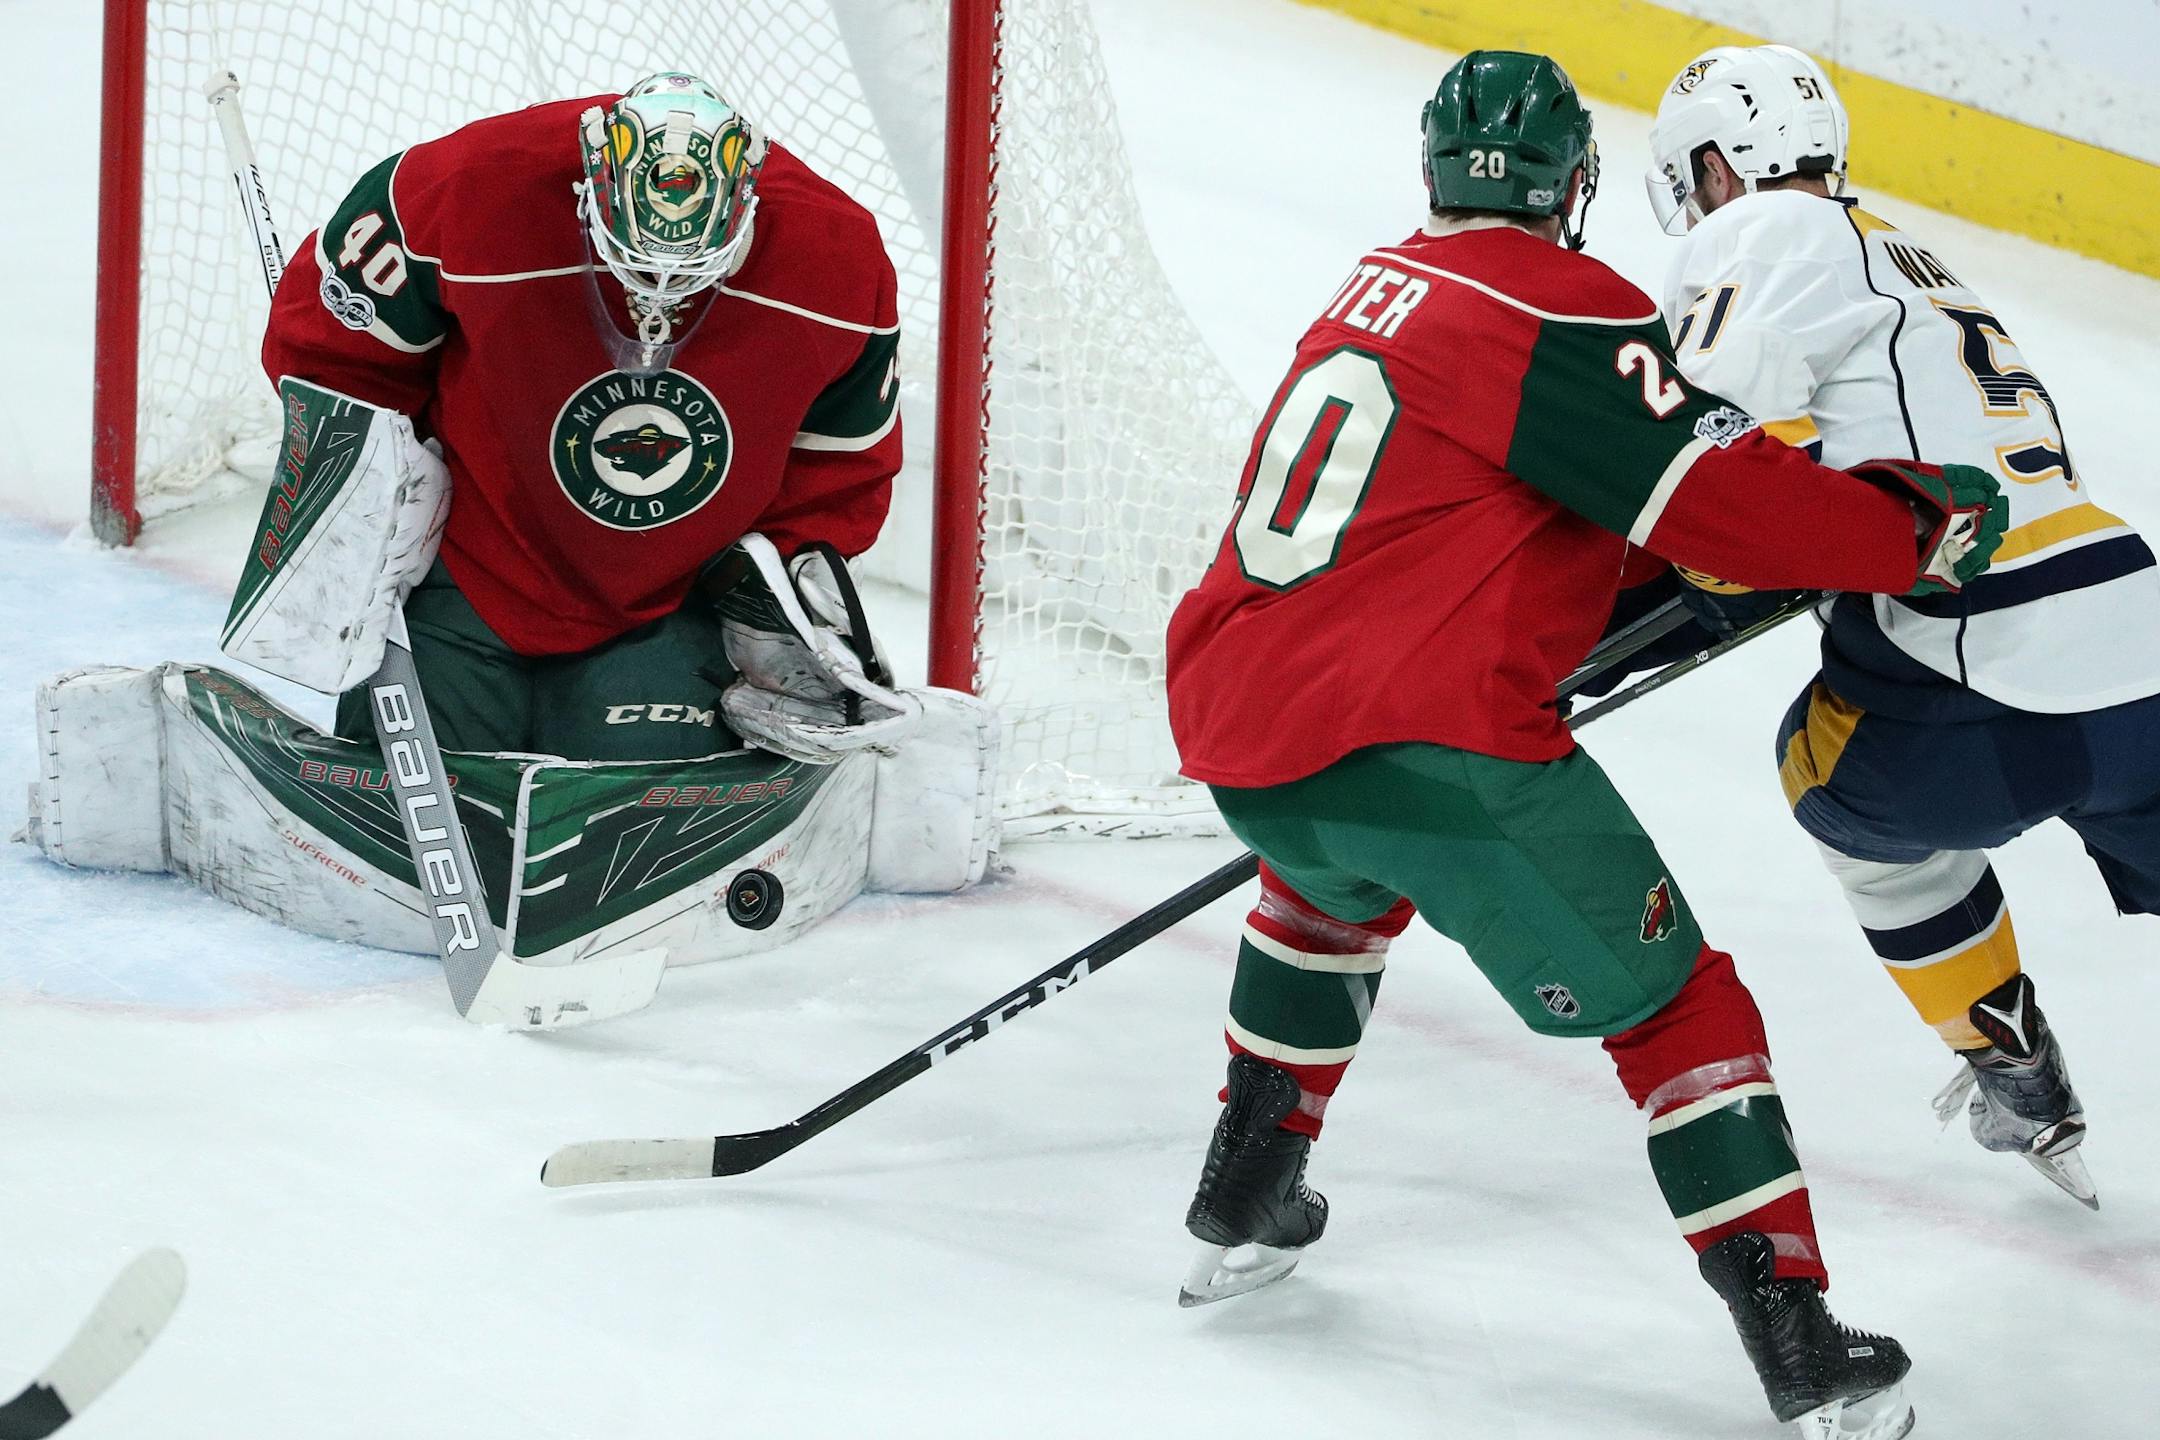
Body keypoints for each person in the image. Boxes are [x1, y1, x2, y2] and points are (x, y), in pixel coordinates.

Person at [1166, 50, 2008, 1438]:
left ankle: (1244, 1187)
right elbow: (1724, 504)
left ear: (1432, 171)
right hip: (1431, 742)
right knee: (1679, 1007)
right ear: (1573, 187)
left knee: (1323, 897)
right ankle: (1800, 1345)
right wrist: (1905, 526)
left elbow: (1469, 513)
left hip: (1240, 720)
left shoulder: (1372, 287)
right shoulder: (1566, 308)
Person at [1645, 43, 2160, 1209]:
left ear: (1721, 165)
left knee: (1821, 769)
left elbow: (1721, 455)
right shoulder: (1903, 254)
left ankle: (2013, 1066)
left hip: (1980, 681)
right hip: (2140, 641)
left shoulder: (1758, 231)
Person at [254, 70, 910, 766]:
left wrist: (772, 596)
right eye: (634, 263)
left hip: (668, 598)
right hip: (462, 569)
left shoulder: (837, 257)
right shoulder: (461, 188)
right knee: (409, 786)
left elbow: (840, 464)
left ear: (749, 196)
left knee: (638, 800)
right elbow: (333, 355)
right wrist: (372, 487)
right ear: (591, 177)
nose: (660, 290)